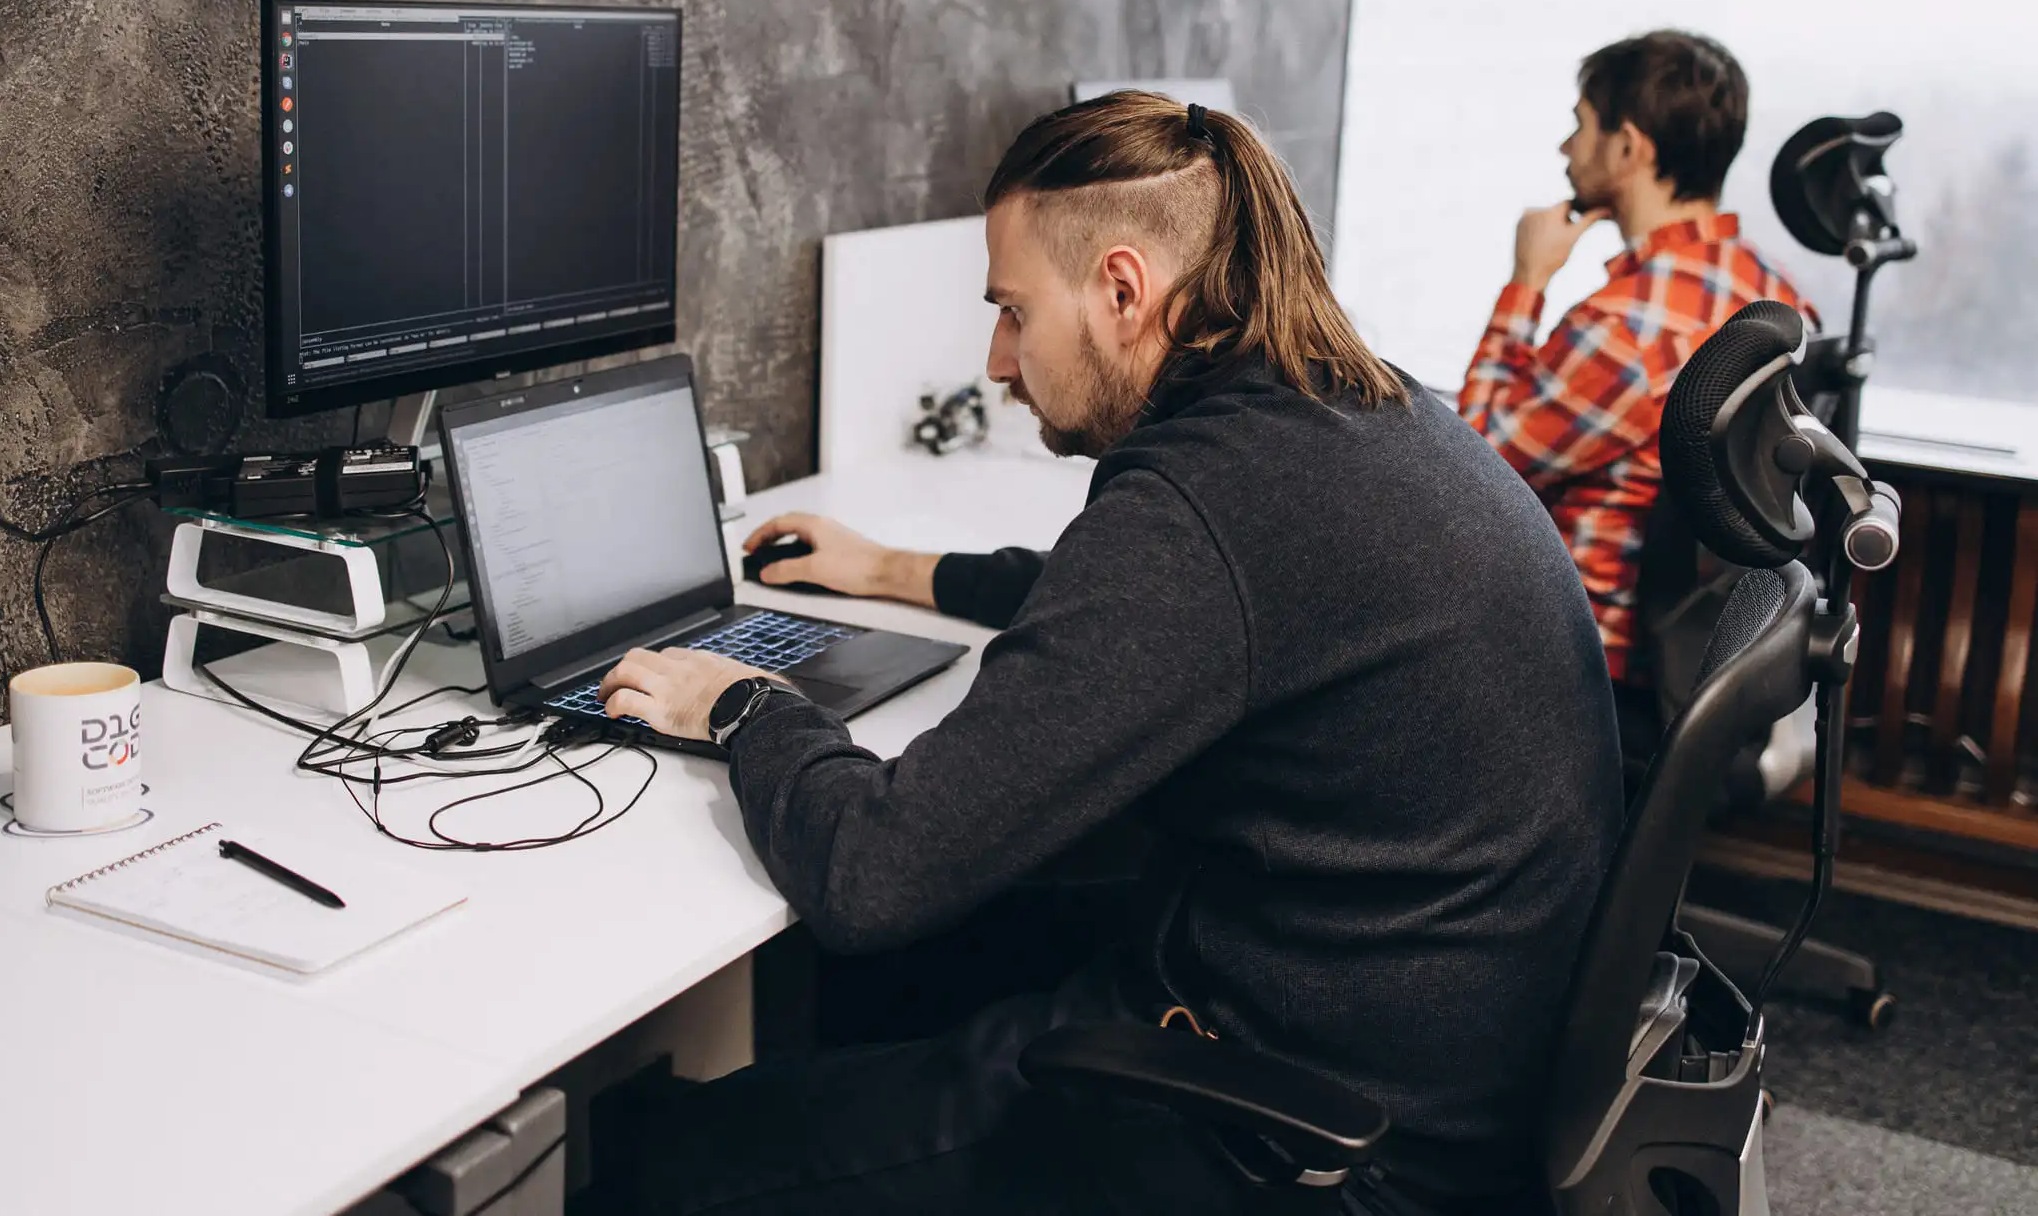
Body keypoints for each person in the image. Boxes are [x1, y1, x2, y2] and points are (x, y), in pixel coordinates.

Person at [594, 92, 1623, 1215]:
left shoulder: (1199, 501)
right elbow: (1168, 617)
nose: (996, 359)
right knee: (878, 980)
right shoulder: (1339, 411)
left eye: (1012, 312)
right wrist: (901, 571)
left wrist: (748, 706)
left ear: (1122, 292)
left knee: (668, 1164)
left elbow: (873, 873)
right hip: (1415, 1053)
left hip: (1307, 1139)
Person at [1459, 30, 1815, 708]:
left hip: (1576, 666)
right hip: (1697, 658)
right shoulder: (1778, 294)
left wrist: (1525, 281)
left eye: (1579, 125)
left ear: (1627, 149)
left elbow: (1469, 471)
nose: (1566, 148)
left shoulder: (1624, 329)